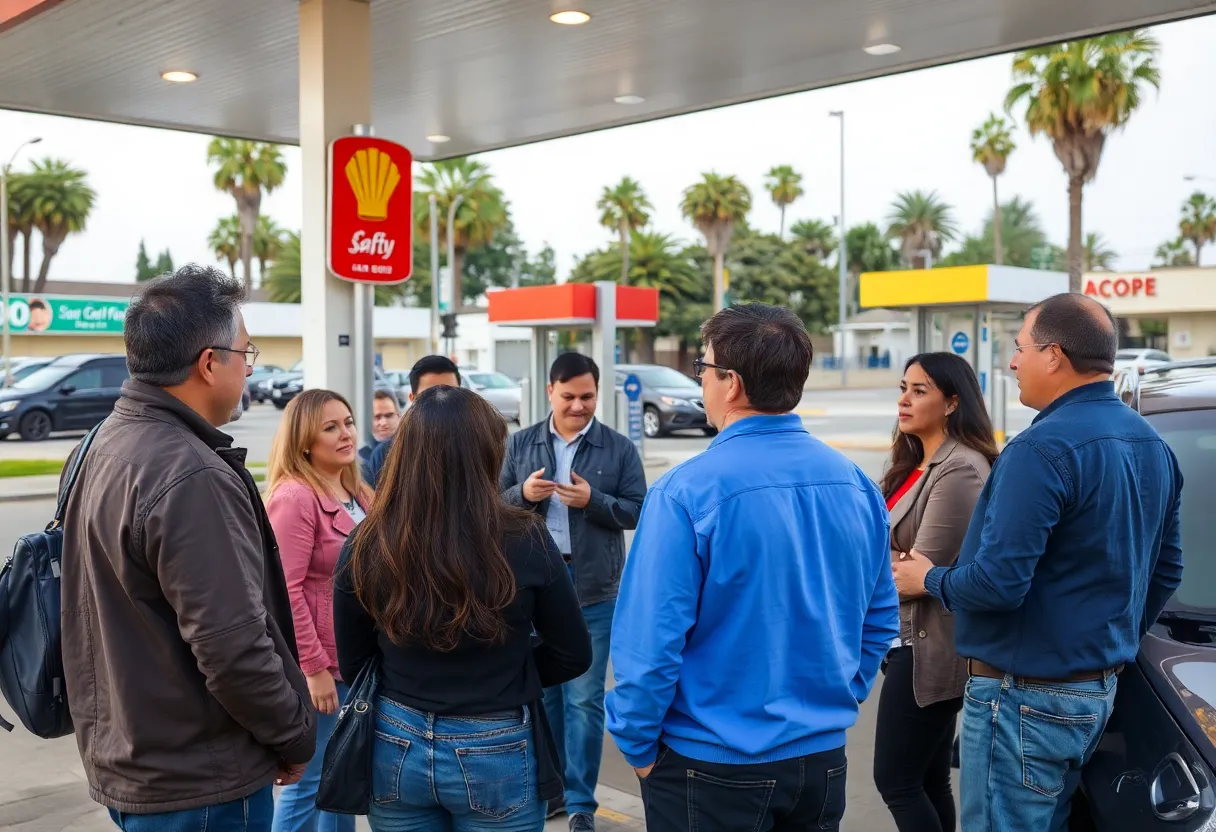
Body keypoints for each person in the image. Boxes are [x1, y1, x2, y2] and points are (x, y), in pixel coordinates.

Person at [893, 293, 1185, 831]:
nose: (1011, 362)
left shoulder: (1040, 449)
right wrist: (1102, 645)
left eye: (1019, 347)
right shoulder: (1152, 444)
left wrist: (928, 578)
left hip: (1021, 698)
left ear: (1054, 355)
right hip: (1093, 691)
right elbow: (1165, 571)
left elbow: (998, 585)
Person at [606, 303, 899, 832]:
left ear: (731, 383)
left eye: (704, 367)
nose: (702, 381)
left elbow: (649, 643)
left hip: (710, 762)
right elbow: (879, 619)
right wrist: (835, 697)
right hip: (820, 760)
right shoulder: (855, 484)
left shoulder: (686, 491)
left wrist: (637, 743)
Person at [59, 264, 316, 831]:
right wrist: (295, 735)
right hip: (200, 780)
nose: (250, 371)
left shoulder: (101, 442)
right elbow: (232, 648)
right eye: (246, 354)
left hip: (136, 762)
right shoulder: (190, 474)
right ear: (208, 363)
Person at [333, 385, 593, 831]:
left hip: (396, 736)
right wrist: (510, 672)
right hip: (497, 740)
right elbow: (572, 652)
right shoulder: (526, 538)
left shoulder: (367, 541)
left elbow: (354, 659)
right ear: (486, 454)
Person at [500, 352, 647, 831]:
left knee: (584, 699)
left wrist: (595, 501)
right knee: (542, 696)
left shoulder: (618, 448)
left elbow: (638, 512)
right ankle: (552, 792)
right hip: (533, 588)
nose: (579, 406)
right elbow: (488, 505)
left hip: (594, 591)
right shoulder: (519, 444)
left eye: (587, 397)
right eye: (569, 397)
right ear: (549, 392)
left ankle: (581, 802)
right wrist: (522, 494)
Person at [874, 353, 998, 832]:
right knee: (926, 779)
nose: (904, 399)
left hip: (930, 648)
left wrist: (868, 566)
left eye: (919, 390)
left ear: (951, 402)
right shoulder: (915, 462)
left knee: (896, 780)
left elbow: (917, 575)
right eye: (903, 387)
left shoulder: (961, 468)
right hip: (904, 642)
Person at [265, 389, 373, 832]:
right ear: (305, 441)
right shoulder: (294, 497)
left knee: (340, 778)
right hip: (325, 667)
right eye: (331, 427)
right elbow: (284, 592)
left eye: (347, 422)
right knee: (309, 783)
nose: (346, 433)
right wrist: (313, 669)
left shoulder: (358, 489)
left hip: (359, 660)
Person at [364, 354, 461, 486]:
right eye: (430, 395)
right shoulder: (386, 455)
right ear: (412, 398)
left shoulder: (481, 446)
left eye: (450, 393)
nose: (441, 402)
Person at [359, 389, 400, 480]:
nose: (383, 422)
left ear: (398, 416)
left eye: (389, 416)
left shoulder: (411, 448)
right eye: (377, 417)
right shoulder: (359, 457)